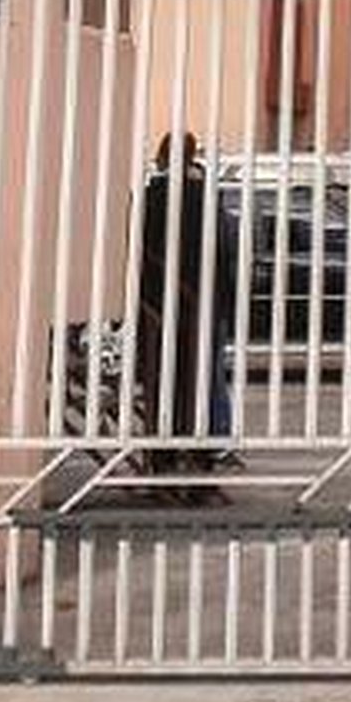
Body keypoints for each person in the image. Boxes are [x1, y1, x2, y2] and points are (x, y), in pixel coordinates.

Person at [127, 131, 244, 500]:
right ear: (193, 157)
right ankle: (199, 471)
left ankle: (159, 465)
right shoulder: (206, 200)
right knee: (198, 386)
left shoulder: (149, 199)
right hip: (200, 307)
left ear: (161, 158)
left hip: (157, 310)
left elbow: (136, 254)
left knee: (161, 385)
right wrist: (224, 303)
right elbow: (226, 254)